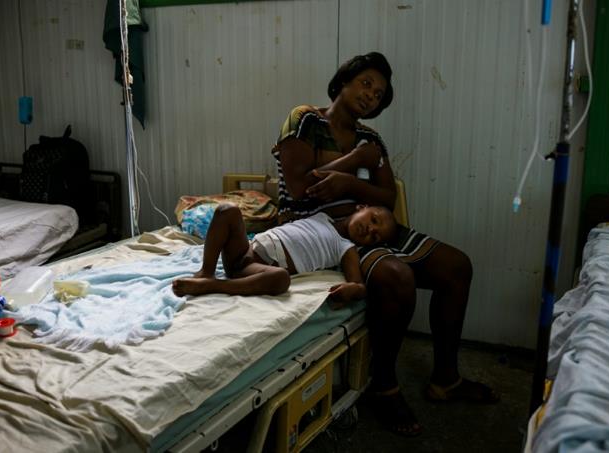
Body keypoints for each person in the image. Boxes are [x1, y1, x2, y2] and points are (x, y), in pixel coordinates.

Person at [271, 52, 498, 437]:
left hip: (370, 220)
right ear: (344, 81)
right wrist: (355, 163)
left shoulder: (371, 139)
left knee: (457, 266)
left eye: (378, 94)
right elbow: (300, 187)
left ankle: (446, 378)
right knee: (396, 275)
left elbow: (387, 197)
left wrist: (349, 182)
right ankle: (384, 384)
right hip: (323, 228)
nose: (370, 95)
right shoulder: (305, 119)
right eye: (366, 84)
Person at [172, 203, 397, 306]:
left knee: (280, 278)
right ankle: (207, 271)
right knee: (227, 211)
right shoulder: (322, 215)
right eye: (373, 220)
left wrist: (353, 290)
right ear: (361, 207)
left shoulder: (345, 247)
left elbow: (358, 284)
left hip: (254, 271)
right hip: (243, 250)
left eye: (374, 237)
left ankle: (213, 286)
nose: (370, 229)